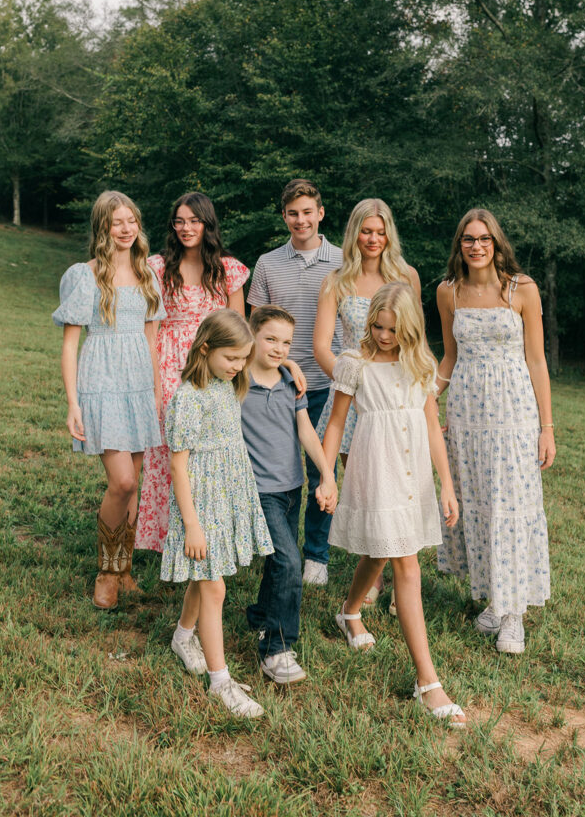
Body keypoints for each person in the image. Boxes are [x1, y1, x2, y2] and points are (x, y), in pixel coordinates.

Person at [322, 283, 466, 728]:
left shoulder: (420, 364)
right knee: (406, 564)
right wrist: (327, 475)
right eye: (377, 327)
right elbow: (337, 423)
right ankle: (428, 682)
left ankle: (349, 610)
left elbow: (430, 425)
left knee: (382, 551)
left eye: (392, 329)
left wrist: (446, 484)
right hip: (377, 467)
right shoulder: (354, 364)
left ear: (408, 328)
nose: (383, 336)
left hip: (414, 471)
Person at [435, 208, 555, 655]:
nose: (476, 246)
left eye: (484, 238)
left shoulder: (521, 289)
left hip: (514, 414)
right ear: (459, 245)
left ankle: (513, 615)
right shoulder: (448, 293)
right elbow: (449, 357)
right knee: (480, 503)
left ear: (496, 242)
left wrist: (547, 427)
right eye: (468, 239)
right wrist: (428, 399)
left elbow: (537, 361)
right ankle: (494, 600)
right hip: (467, 414)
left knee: (512, 504)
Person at [53, 190, 166, 609]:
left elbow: (151, 342)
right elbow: (69, 346)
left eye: (131, 221)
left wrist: (155, 393)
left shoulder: (148, 274)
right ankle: (106, 570)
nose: (125, 229)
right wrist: (73, 402)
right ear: (103, 226)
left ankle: (125, 570)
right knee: (122, 482)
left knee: (134, 487)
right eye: (116, 222)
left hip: (139, 385)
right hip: (100, 381)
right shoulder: (85, 275)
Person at [160, 310, 273, 719]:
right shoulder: (187, 398)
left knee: (205, 576)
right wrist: (191, 523)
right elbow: (178, 465)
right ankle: (220, 681)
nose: (239, 366)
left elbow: (263, 364)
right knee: (214, 587)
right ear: (205, 349)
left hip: (226, 495)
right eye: (232, 358)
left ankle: (183, 636)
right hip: (201, 501)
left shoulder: (227, 384)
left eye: (244, 359)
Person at [313, 197, 421, 607]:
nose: (373, 239)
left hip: (397, 400)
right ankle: (372, 575)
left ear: (388, 234)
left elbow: (417, 340)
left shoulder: (407, 276)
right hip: (356, 402)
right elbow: (322, 346)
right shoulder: (336, 280)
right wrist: (351, 380)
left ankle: (405, 577)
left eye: (380, 231)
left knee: (404, 489)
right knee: (372, 492)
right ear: (353, 233)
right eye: (365, 230)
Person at [136, 192, 250, 555]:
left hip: (214, 369)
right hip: (170, 368)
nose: (186, 228)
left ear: (207, 224)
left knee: (210, 455)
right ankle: (166, 538)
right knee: (169, 454)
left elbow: (239, 329)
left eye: (194, 221)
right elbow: (150, 332)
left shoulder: (228, 270)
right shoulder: (157, 267)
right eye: (180, 221)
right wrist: (154, 387)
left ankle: (209, 533)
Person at [247, 178, 343, 587]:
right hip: (277, 382)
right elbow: (254, 323)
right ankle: (270, 543)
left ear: (320, 213)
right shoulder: (268, 263)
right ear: (283, 216)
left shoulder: (343, 261)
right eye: (292, 213)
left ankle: (316, 555)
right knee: (279, 471)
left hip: (328, 382)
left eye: (307, 212)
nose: (300, 220)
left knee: (322, 467)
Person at [241, 306, 338, 685]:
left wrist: (327, 475)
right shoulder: (236, 380)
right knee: (289, 562)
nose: (279, 348)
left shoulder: (289, 382)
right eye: (270, 339)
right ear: (252, 336)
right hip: (258, 490)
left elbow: (307, 432)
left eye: (286, 342)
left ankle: (260, 615)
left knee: (278, 560)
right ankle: (277, 648)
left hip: (290, 487)